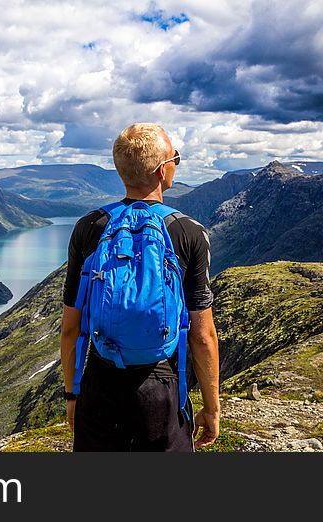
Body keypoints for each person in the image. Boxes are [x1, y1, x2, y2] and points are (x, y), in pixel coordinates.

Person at [59, 123, 220, 451]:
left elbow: (71, 329)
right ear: (163, 171)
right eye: (176, 157)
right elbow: (202, 335)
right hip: (161, 387)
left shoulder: (90, 228)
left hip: (100, 383)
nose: (176, 162)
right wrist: (211, 408)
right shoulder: (188, 232)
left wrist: (73, 394)